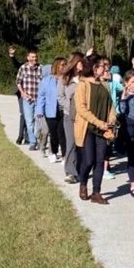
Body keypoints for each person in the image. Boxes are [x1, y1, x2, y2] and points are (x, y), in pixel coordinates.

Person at [74, 54, 118, 205]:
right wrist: (98, 122)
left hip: (103, 129)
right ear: (94, 68)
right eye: (102, 66)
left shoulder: (104, 85)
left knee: (100, 160)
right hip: (87, 128)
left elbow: (111, 105)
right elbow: (81, 109)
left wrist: (112, 119)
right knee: (88, 161)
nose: (105, 68)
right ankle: (83, 182)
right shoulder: (82, 85)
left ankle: (96, 192)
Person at [57, 52, 84, 184]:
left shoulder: (85, 77)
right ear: (75, 62)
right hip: (69, 115)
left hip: (84, 116)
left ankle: (81, 168)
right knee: (71, 143)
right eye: (81, 61)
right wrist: (71, 106)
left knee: (83, 144)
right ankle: (70, 172)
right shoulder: (64, 78)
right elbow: (60, 97)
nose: (83, 64)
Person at [35, 59, 65, 162]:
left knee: (62, 133)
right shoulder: (46, 81)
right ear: (56, 66)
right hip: (50, 111)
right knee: (53, 134)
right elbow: (41, 97)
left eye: (65, 65)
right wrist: (39, 111)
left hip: (63, 110)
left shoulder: (67, 79)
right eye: (62, 65)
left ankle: (65, 156)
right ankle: (53, 152)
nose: (64, 67)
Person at [16, 50, 41, 151]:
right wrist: (22, 92)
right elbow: (18, 82)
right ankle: (33, 142)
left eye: (35, 57)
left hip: (38, 99)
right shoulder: (23, 68)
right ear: (28, 58)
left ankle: (36, 139)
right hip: (27, 99)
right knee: (29, 122)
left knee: (38, 122)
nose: (34, 59)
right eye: (32, 57)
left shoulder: (40, 68)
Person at [9, 46, 27, 145]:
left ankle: (28, 137)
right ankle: (20, 136)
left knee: (29, 115)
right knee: (24, 114)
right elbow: (16, 64)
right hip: (21, 92)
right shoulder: (22, 67)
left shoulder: (37, 68)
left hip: (31, 94)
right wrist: (12, 56)